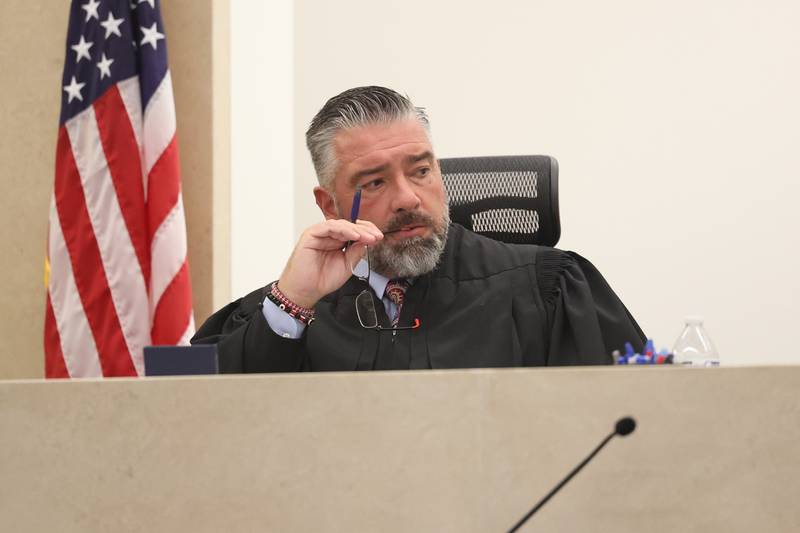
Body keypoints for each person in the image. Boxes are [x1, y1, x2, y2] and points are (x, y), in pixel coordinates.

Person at [192, 86, 645, 372]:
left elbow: (629, 431)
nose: (408, 198)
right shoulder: (293, 312)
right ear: (330, 206)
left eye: (422, 171)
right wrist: (290, 304)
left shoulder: (547, 289)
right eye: (375, 182)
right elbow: (202, 427)